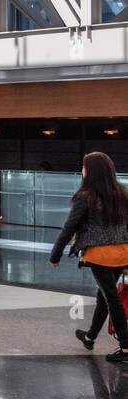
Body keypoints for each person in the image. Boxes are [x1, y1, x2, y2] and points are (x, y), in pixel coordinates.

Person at [49, 152, 128, 362]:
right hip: (122, 253)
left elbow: (69, 227)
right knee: (105, 296)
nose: (82, 170)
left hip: (100, 254)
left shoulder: (86, 196)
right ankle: (90, 337)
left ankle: (126, 347)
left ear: (91, 171)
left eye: (84, 167)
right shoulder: (122, 193)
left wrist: (55, 254)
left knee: (112, 298)